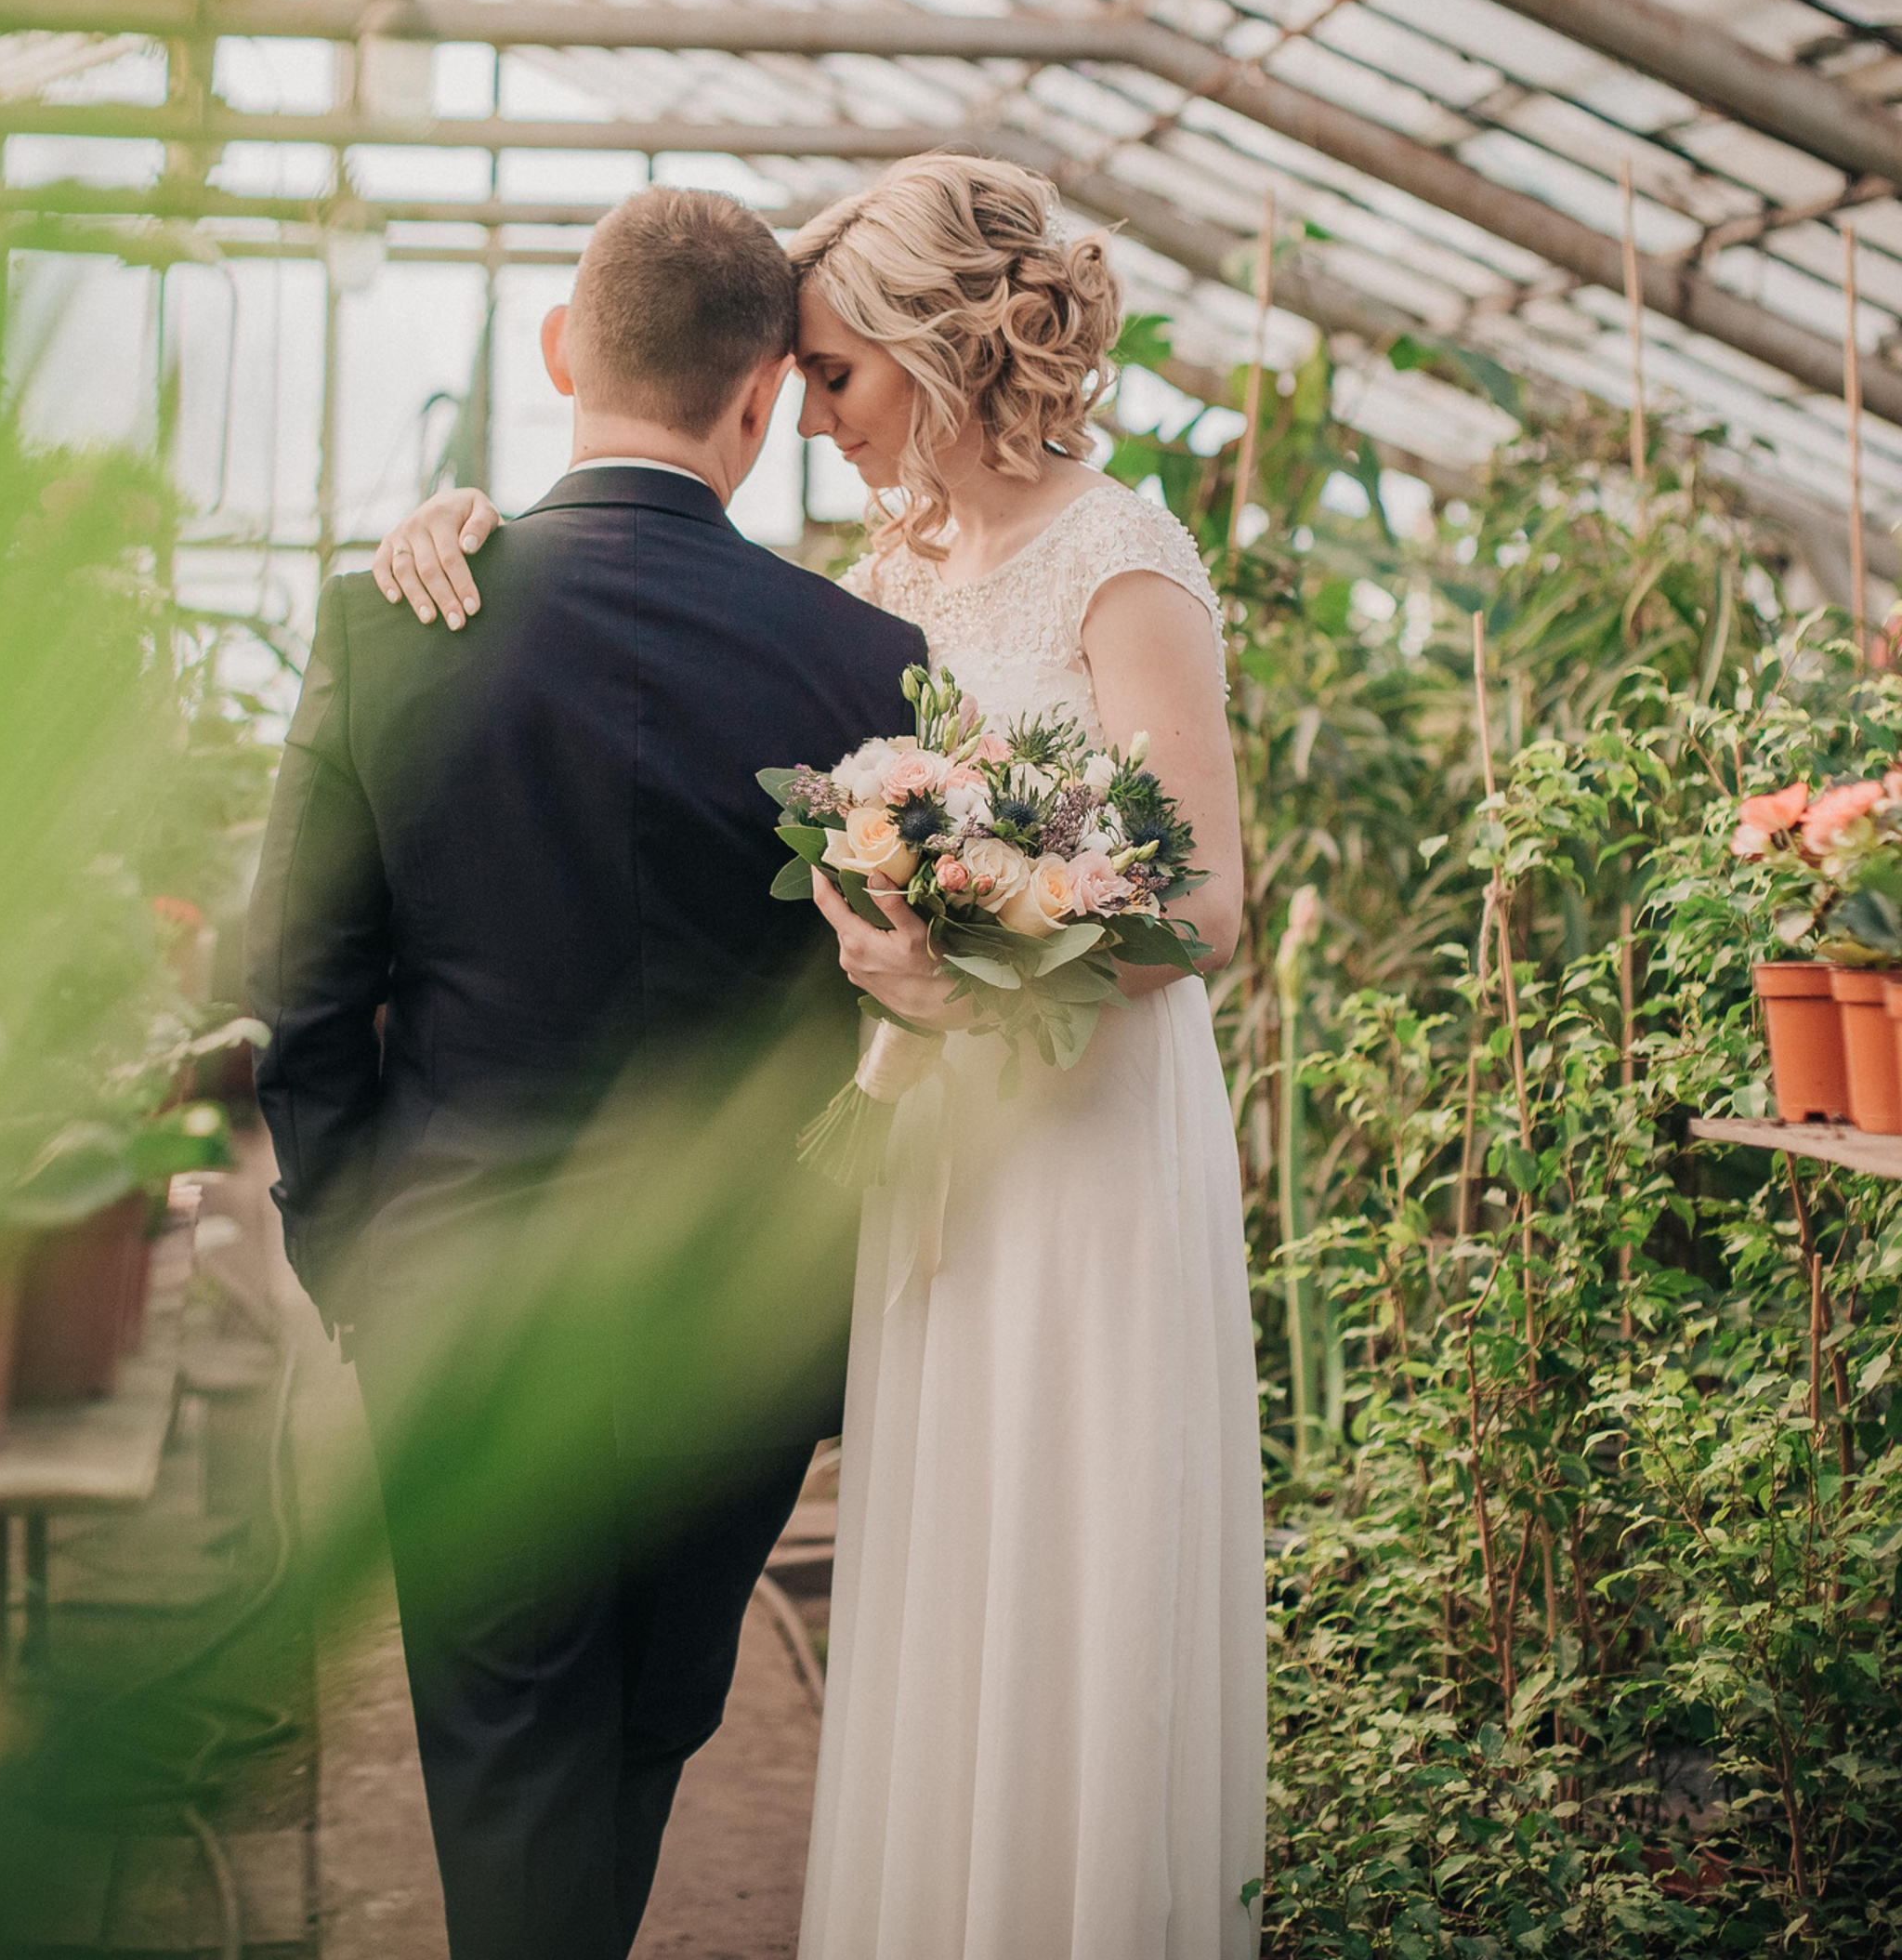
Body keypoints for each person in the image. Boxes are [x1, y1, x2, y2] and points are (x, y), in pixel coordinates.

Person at [374, 151, 1267, 1957]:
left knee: (1066, 1561)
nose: (811, 419)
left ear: (943, 350)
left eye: (836, 376)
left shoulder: (1122, 555)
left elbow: (1208, 903)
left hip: (1079, 1139)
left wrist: (992, 969)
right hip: (933, 1140)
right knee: (942, 1568)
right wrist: (466, 529)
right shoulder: (885, 576)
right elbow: (658, 667)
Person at [244, 185, 926, 1960]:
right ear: (765, 400)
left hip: (460, 1294)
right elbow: (923, 1016)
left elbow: (300, 998)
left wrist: (351, 1262)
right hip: (738, 1318)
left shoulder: (398, 620)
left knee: (510, 1753)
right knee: (646, 1729)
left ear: (561, 352)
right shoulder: (873, 667)